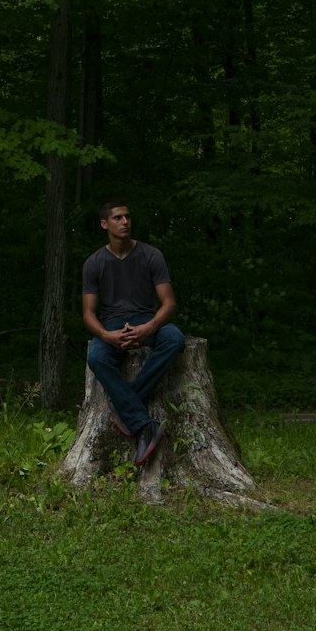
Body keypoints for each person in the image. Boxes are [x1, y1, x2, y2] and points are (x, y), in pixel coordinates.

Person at [81, 199, 185, 467]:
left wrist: (148, 328)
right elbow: (88, 314)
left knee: (174, 338)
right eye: (117, 218)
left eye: (127, 217)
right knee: (96, 355)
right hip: (113, 325)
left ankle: (125, 405)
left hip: (145, 320)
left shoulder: (151, 255)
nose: (125, 222)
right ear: (105, 224)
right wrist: (106, 336)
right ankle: (143, 424)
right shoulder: (94, 263)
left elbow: (169, 303)